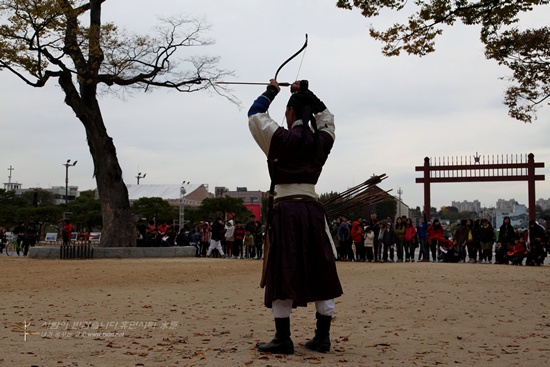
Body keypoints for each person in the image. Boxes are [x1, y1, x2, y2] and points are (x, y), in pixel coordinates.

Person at [248, 79, 343, 354]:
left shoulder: (279, 138)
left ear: (289, 113)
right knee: (321, 267)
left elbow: (255, 115)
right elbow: (327, 120)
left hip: (286, 211)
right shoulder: (321, 141)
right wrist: (307, 94)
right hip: (313, 211)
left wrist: (272, 91)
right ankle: (322, 338)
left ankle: (282, 338)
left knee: (282, 269)